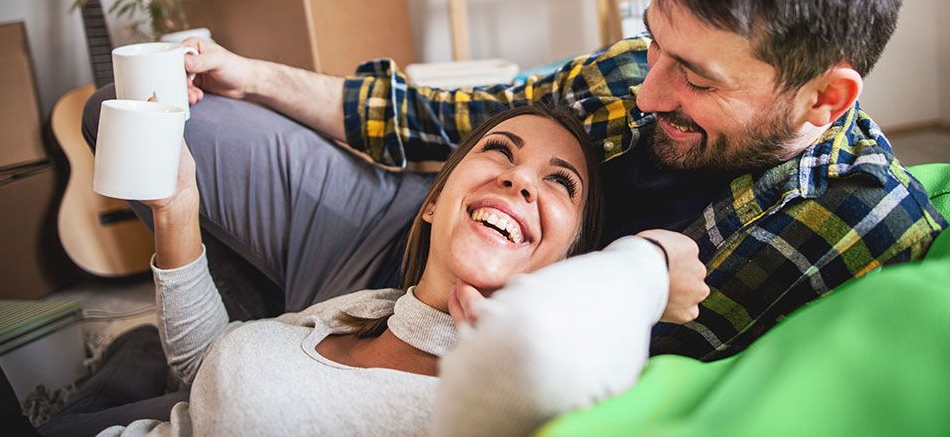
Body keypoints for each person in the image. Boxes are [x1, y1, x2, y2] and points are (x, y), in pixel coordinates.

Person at [82, 0, 946, 365]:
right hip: (399, 228)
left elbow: (659, 362)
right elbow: (436, 116)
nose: (648, 94)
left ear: (825, 99)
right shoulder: (627, 78)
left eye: (694, 78)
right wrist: (255, 75)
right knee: (139, 128)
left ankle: (216, 350)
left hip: (453, 342)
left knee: (187, 387)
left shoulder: (858, 217)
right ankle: (248, 323)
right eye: (654, 45)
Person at [41, 104, 702, 436]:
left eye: (560, 184)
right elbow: (206, 382)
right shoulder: (357, 309)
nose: (518, 179)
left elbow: (625, 308)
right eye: (500, 151)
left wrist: (646, 260)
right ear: (434, 203)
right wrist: (178, 210)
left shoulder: (509, 402)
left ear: (567, 261)